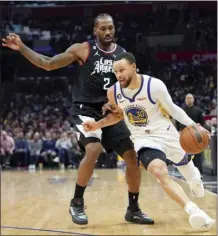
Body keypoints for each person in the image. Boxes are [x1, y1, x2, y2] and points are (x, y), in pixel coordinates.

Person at [2, 14, 154, 225]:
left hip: (111, 112)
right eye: (103, 29)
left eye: (110, 28)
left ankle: (133, 209)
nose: (108, 32)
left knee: (131, 157)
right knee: (93, 149)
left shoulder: (123, 56)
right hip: (85, 110)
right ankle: (77, 202)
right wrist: (21, 47)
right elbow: (47, 63)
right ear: (95, 31)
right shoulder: (83, 50)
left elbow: (131, 86)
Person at [82, 52, 215, 230]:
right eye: (115, 72)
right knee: (159, 171)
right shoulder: (113, 92)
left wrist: (195, 126)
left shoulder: (154, 85)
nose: (118, 75)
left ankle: (194, 178)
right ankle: (194, 211)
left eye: (122, 70)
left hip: (166, 133)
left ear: (134, 67)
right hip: (142, 138)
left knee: (189, 173)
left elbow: (174, 110)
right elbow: (118, 116)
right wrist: (97, 124)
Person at [176, 93, 209, 174]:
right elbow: (177, 122)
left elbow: (202, 123)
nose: (189, 99)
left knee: (197, 155)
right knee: (185, 156)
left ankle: (199, 173)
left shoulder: (198, 110)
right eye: (187, 98)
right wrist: (178, 130)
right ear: (185, 100)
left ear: (193, 99)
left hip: (197, 136)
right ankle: (187, 174)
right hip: (185, 137)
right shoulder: (181, 110)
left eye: (190, 98)